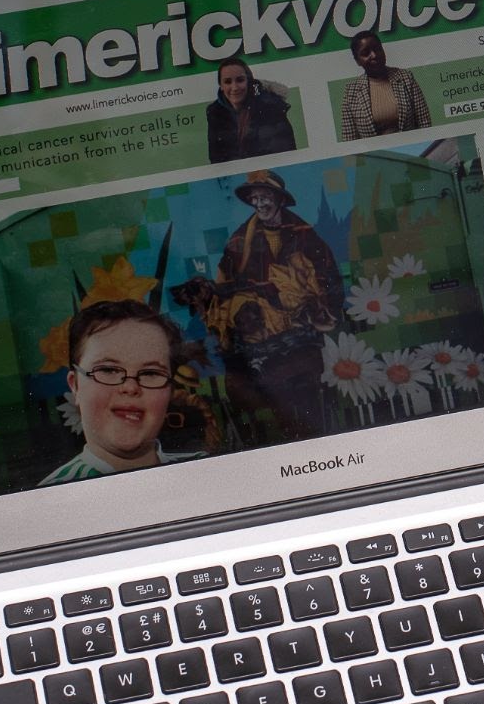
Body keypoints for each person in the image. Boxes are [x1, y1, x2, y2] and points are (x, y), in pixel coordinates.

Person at [201, 169, 342, 436]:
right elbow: (225, 282)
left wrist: (319, 305)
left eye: (265, 197)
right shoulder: (240, 240)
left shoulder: (303, 234)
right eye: (255, 198)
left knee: (310, 394)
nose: (259, 204)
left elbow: (326, 273)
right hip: (261, 329)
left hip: (301, 321)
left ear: (279, 200)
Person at [39, 300, 201, 484]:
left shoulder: (208, 471)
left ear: (171, 390)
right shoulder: (50, 498)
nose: (130, 388)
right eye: (108, 370)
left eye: (150, 373)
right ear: (75, 385)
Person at [336, 30, 432, 140]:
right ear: (358, 61)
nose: (374, 55)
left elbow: (425, 123)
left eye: (377, 49)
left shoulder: (406, 77)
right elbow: (349, 140)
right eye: (366, 53)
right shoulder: (351, 92)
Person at [205, 55, 296, 164]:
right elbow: (216, 159)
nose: (234, 87)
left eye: (240, 80)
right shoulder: (215, 113)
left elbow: (286, 154)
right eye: (228, 82)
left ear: (249, 81)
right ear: (221, 85)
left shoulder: (270, 107)